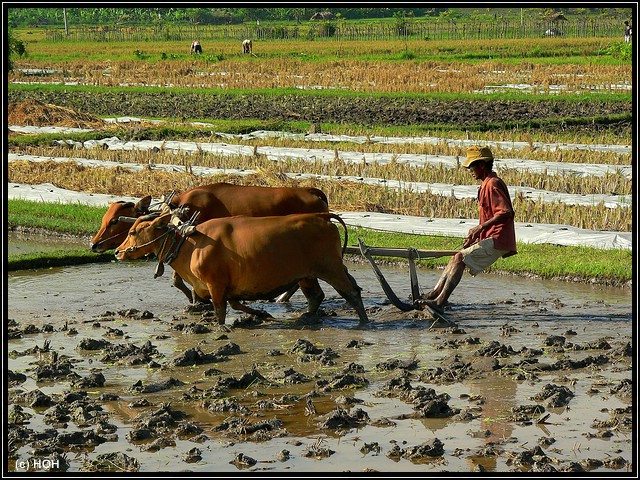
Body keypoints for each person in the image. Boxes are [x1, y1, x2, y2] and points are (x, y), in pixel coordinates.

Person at [421, 145, 517, 314]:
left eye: (472, 166)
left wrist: (480, 227)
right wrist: (477, 234)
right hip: (491, 237)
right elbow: (490, 216)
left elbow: (506, 212)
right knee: (455, 258)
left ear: (482, 165)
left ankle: (439, 302)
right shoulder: (485, 184)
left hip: (499, 239)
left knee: (459, 259)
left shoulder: (493, 184)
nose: (470, 170)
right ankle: (435, 294)